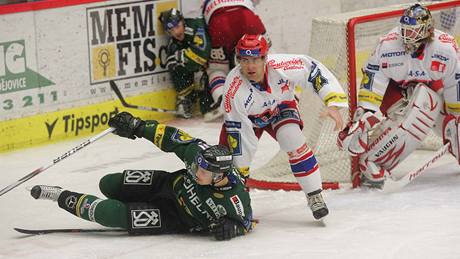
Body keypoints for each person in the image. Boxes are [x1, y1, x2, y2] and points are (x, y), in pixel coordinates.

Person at [30, 112, 254, 241]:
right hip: (164, 184)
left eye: (203, 172)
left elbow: (245, 222)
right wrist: (137, 126)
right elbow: (170, 137)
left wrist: (234, 229)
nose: (196, 172)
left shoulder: (235, 198)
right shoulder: (199, 156)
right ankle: (130, 203)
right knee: (108, 183)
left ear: (219, 176)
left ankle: (59, 195)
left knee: (109, 214)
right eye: (196, 167)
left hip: (172, 217)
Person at [219, 34, 348, 220]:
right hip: (247, 121)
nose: (250, 66)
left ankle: (314, 195)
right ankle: (236, 204)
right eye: (245, 60)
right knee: (225, 164)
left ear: (265, 57)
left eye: (255, 59)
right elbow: (240, 136)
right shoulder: (234, 90)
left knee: (293, 140)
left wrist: (332, 102)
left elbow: (312, 70)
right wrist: (241, 173)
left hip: (280, 107)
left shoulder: (281, 66)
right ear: (238, 60)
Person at [337, 4, 460, 188]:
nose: (405, 36)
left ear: (426, 31)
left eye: (411, 32)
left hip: (432, 88)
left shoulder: (445, 49)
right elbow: (372, 83)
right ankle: (371, 160)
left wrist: (456, 118)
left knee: (443, 115)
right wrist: (363, 116)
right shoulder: (387, 46)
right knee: (414, 115)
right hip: (395, 91)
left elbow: (454, 84)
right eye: (404, 30)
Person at [202, 0, 269, 121]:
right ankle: (277, 89)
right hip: (248, 19)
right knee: (266, 58)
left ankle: (222, 99)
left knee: (217, 69)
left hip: (219, 24)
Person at [159, 8, 216, 119]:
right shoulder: (175, 43)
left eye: (177, 26)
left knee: (208, 106)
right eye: (170, 30)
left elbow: (202, 54)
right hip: (211, 65)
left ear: (183, 21)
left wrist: (182, 58)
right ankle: (187, 98)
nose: (176, 32)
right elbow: (175, 63)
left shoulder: (196, 25)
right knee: (173, 62)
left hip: (221, 61)